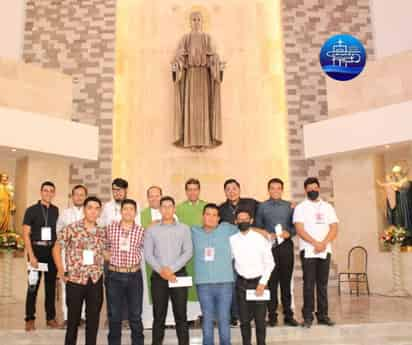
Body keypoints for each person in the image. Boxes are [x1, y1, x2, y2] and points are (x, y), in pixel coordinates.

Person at [53, 196, 106, 345]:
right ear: (84, 210)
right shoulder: (72, 228)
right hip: (75, 280)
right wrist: (61, 270)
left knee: (93, 320)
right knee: (73, 321)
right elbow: (56, 248)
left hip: (95, 280)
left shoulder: (102, 232)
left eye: (97, 208)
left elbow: (105, 253)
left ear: (100, 211)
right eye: (90, 208)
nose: (93, 211)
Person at [144, 196, 192, 345]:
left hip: (178, 276)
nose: (166, 209)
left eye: (169, 206)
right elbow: (148, 254)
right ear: (159, 209)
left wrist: (170, 269)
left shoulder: (184, 228)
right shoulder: (151, 229)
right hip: (159, 277)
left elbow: (188, 252)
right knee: (159, 316)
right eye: (163, 206)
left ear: (174, 208)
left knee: (181, 316)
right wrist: (162, 271)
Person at [293, 177, 339, 328]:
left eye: (315, 187)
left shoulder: (327, 207)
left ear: (319, 188)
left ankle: (323, 315)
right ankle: (307, 317)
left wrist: (323, 243)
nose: (312, 190)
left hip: (324, 250)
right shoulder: (300, 207)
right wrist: (315, 243)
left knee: (322, 285)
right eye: (309, 188)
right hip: (308, 250)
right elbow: (299, 229)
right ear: (305, 190)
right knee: (308, 284)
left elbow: (334, 228)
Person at [191, 203, 238, 345]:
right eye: (207, 214)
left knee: (224, 318)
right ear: (202, 216)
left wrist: (267, 233)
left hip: (225, 283)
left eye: (214, 215)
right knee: (207, 318)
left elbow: (245, 228)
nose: (210, 217)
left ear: (218, 218)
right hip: (204, 284)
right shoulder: (193, 231)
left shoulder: (226, 229)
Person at [255, 178, 299, 327]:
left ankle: (288, 315)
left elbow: (295, 226)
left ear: (282, 190)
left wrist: (289, 233)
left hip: (286, 247)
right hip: (269, 248)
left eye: (278, 188)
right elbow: (258, 227)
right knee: (271, 283)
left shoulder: (289, 206)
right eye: (272, 188)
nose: (275, 190)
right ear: (268, 190)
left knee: (286, 282)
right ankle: (272, 316)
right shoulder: (262, 207)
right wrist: (267, 234)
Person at [230, 208, 274, 345]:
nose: (243, 221)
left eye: (246, 219)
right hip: (242, 284)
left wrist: (262, 283)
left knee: (260, 321)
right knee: (244, 321)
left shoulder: (260, 239)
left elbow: (270, 263)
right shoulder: (231, 240)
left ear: (251, 221)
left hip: (259, 284)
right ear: (235, 221)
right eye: (240, 219)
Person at [22, 181, 62, 331]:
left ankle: (50, 318)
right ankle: (29, 318)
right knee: (33, 285)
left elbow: (58, 232)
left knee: (51, 287)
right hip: (36, 250)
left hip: (51, 251)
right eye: (46, 190)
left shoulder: (56, 210)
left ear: (54, 193)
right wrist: (31, 256)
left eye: (51, 191)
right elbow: (26, 235)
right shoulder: (31, 210)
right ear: (41, 192)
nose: (48, 193)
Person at [100, 178, 140, 326]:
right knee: (110, 286)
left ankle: (126, 318)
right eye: (114, 190)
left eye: (120, 190)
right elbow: (102, 227)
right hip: (111, 256)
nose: (117, 192)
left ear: (125, 190)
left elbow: (139, 228)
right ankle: (112, 317)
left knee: (129, 289)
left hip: (129, 256)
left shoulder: (134, 206)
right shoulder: (107, 207)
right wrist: (104, 250)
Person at [219, 178, 259, 326]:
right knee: (232, 284)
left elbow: (264, 212)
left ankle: (249, 315)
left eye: (234, 188)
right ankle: (234, 315)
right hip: (229, 252)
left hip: (248, 251)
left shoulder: (251, 203)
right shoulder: (221, 209)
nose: (231, 191)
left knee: (248, 283)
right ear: (225, 192)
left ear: (239, 189)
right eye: (228, 189)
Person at [106, 199, 145, 345]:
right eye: (125, 209)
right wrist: (107, 256)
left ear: (135, 212)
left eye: (131, 209)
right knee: (114, 315)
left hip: (134, 275)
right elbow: (103, 246)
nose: (128, 212)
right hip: (114, 276)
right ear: (121, 211)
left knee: (135, 315)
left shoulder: (141, 231)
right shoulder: (110, 228)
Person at [56, 184, 88, 326]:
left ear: (85, 197)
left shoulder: (90, 211)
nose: (79, 197)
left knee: (86, 284)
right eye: (76, 194)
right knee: (67, 283)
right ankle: (68, 317)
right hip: (68, 253)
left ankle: (82, 316)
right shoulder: (65, 213)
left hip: (86, 254)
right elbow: (59, 233)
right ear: (72, 196)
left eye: (82, 195)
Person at [176, 178, 207, 314]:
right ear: (186, 191)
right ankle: (189, 315)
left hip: (203, 252)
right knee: (187, 284)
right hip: (185, 253)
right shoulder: (179, 209)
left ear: (199, 190)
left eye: (195, 189)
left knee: (203, 282)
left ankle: (203, 314)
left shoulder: (207, 207)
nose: (192, 192)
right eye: (189, 189)